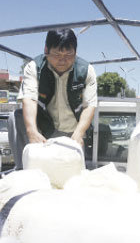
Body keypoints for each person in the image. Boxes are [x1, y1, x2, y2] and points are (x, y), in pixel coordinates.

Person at [12, 28, 97, 167]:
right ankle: (24, 170)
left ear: (75, 53)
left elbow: (89, 106)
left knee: (73, 170)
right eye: (57, 54)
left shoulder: (87, 70)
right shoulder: (34, 67)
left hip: (74, 131)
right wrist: (32, 131)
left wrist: (79, 133)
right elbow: (30, 99)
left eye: (69, 55)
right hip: (46, 129)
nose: (62, 60)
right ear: (46, 50)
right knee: (17, 116)